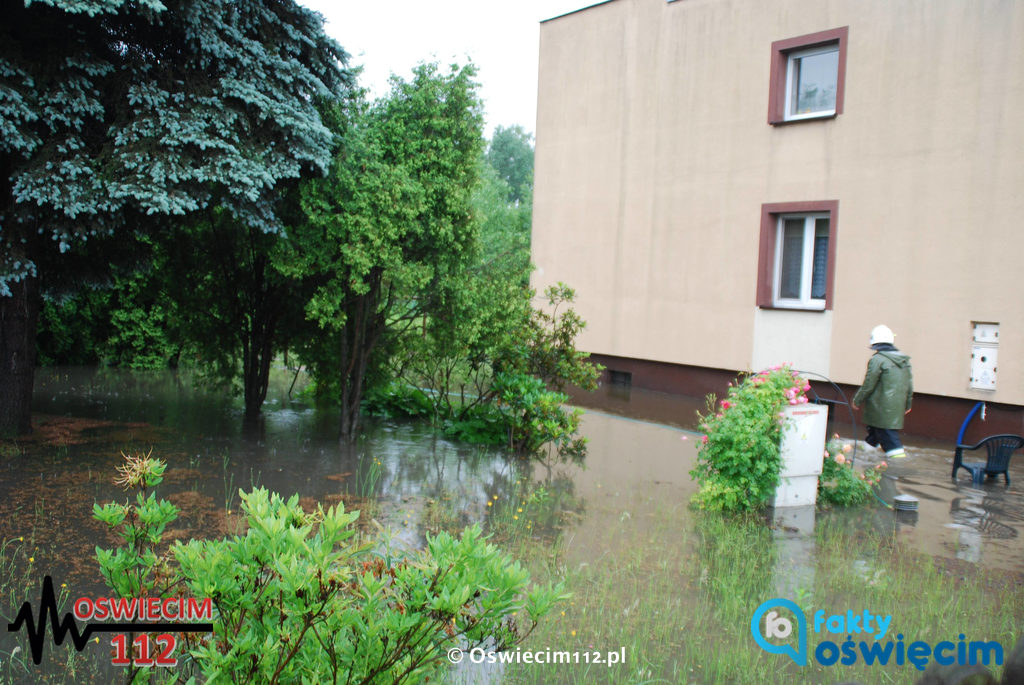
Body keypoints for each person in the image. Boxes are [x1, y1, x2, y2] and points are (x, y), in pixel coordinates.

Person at [852, 325, 913, 458]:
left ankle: (897, 469)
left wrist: (857, 400)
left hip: (880, 409)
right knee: (873, 436)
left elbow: (869, 384)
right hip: (896, 407)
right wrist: (907, 404)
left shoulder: (877, 360)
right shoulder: (904, 361)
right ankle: (865, 462)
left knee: (892, 444)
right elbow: (909, 384)